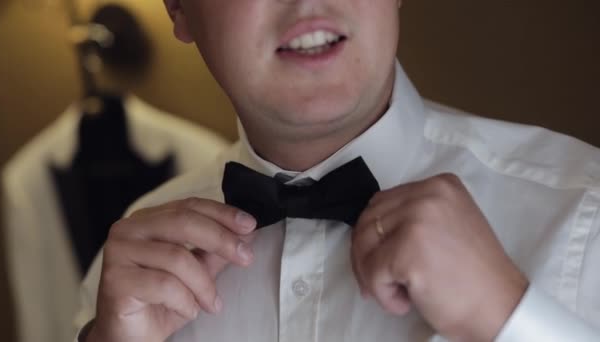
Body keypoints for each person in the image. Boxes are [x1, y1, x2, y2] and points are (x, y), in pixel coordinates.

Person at [74, 0, 600, 341]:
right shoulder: (129, 275)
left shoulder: (585, 213)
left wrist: (508, 317)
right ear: (179, 9)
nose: (307, 2)